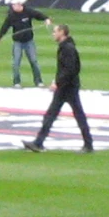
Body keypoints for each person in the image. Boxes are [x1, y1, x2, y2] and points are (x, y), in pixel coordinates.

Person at [26, 23, 92, 152]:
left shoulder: (68, 48)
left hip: (68, 88)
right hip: (66, 86)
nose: (53, 34)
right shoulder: (65, 47)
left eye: (55, 31)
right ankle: (39, 142)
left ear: (62, 32)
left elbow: (71, 69)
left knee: (76, 115)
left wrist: (58, 82)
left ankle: (88, 144)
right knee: (53, 115)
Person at [0, 0, 48, 87]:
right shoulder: (11, 15)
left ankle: (38, 81)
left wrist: (46, 19)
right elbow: (5, 27)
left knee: (34, 61)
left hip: (29, 41)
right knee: (16, 63)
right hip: (17, 42)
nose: (13, 7)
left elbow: (38, 15)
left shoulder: (28, 11)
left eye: (14, 5)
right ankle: (16, 82)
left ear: (19, 4)